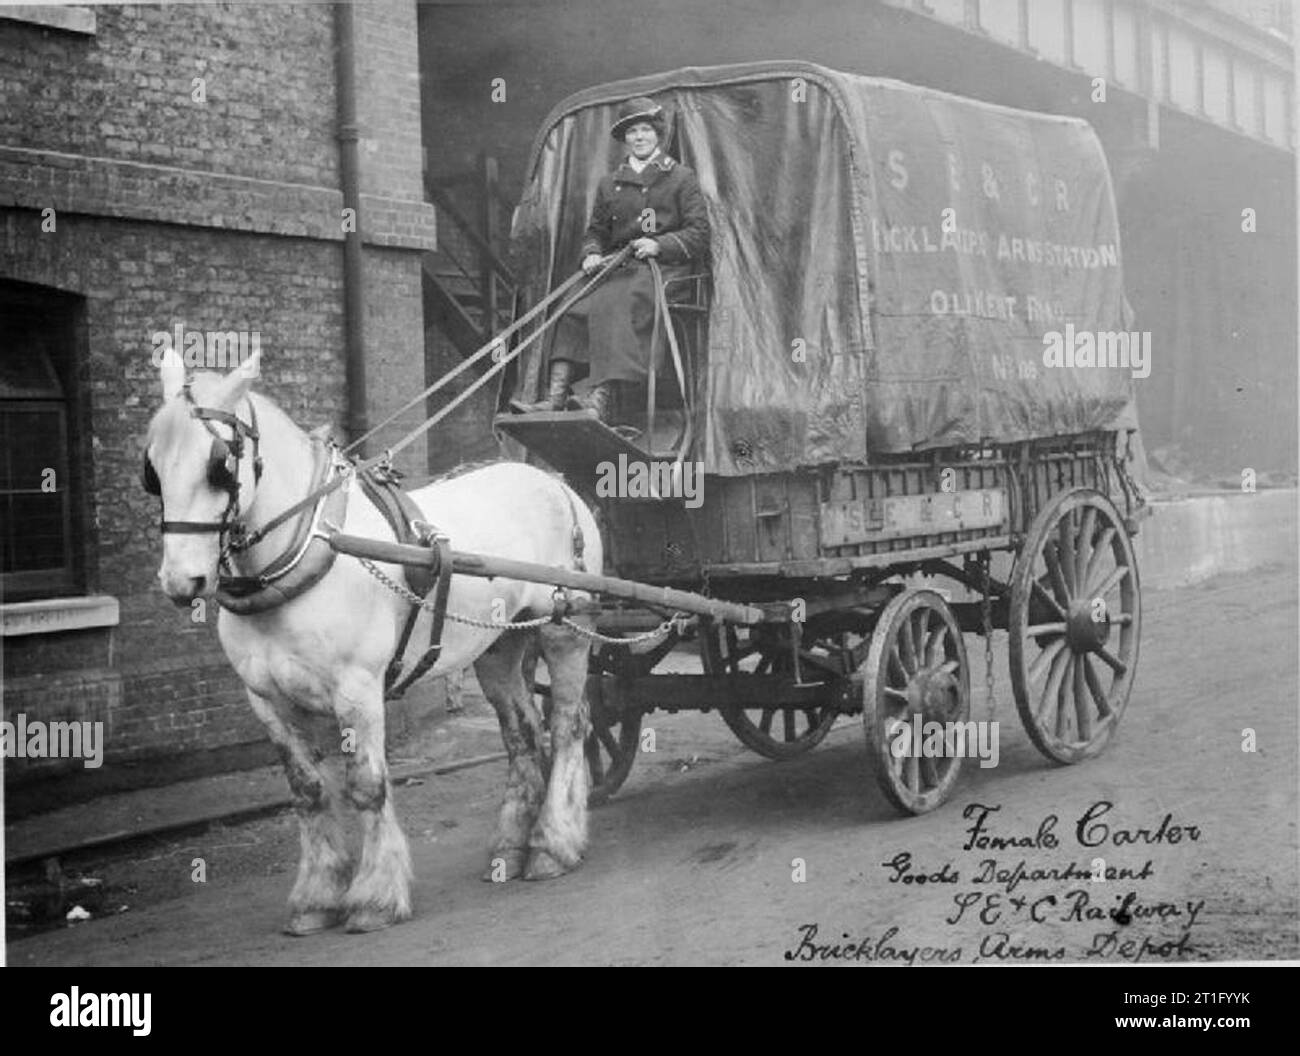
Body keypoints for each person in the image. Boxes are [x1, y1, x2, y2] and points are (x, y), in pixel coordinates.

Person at [527, 97, 710, 424]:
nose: (639, 137)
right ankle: (556, 395)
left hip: (663, 271)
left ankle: (599, 399)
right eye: (632, 132)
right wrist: (592, 253)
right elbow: (595, 231)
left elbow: (698, 233)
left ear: (657, 135)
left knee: (616, 303)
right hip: (618, 268)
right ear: (625, 140)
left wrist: (658, 244)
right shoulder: (609, 183)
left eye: (645, 130)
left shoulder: (681, 178)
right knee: (572, 306)